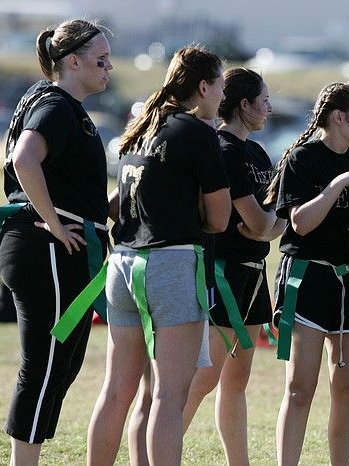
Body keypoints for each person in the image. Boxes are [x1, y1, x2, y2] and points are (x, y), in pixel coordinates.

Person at [86, 45, 231, 466]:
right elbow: (219, 220)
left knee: (117, 390)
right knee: (169, 397)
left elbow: (117, 205)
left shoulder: (143, 126)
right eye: (220, 86)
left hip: (123, 264)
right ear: (202, 86)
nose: (222, 97)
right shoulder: (198, 132)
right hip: (171, 264)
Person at [0, 19, 113, 465]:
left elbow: (80, 192)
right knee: (43, 366)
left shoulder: (62, 105)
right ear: (72, 60)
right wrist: (55, 225)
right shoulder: (56, 105)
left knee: (60, 364)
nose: (109, 67)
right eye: (101, 59)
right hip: (49, 247)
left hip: (58, 246)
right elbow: (23, 160)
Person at [265, 81, 349, 466]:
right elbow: (300, 223)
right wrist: (338, 185)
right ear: (339, 117)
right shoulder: (302, 159)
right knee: (300, 388)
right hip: (308, 278)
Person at [181, 67, 287, 464]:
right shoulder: (223, 150)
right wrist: (273, 222)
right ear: (244, 105)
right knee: (202, 379)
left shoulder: (257, 152)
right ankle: (161, 451)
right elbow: (260, 223)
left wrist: (269, 224)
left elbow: (264, 224)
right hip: (223, 273)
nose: (269, 107)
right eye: (263, 100)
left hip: (253, 274)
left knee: (237, 380)